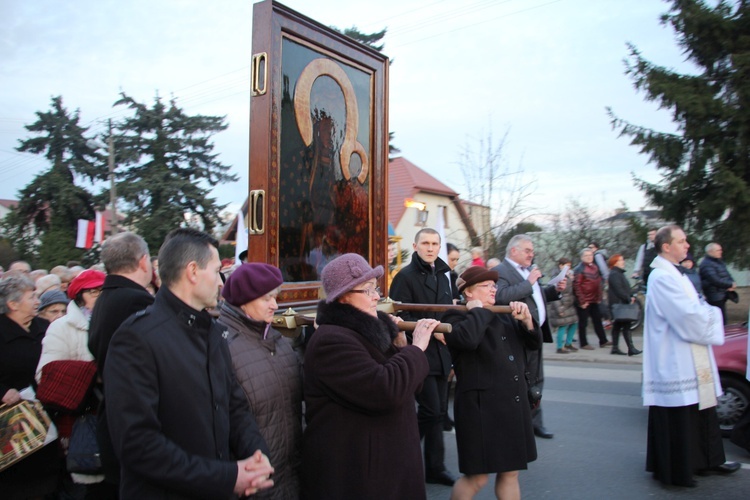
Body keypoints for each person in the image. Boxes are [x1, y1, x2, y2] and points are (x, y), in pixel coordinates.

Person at [105, 228, 274, 498]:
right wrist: (227, 477)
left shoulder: (213, 333)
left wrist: (256, 456)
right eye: (217, 270)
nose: (222, 282)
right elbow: (138, 444)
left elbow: (234, 406)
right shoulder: (136, 338)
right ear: (193, 272)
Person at [301, 253, 437, 499]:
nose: (377, 296)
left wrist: (400, 346)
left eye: (375, 288)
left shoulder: (367, 331)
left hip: (386, 467)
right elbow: (385, 390)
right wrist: (416, 349)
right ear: (343, 296)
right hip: (360, 475)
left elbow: (408, 387)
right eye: (367, 290)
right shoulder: (331, 341)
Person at [643, 225, 740, 487]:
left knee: (702, 408)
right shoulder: (662, 277)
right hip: (675, 358)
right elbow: (688, 315)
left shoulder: (677, 273)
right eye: (682, 241)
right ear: (666, 246)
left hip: (691, 354)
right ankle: (677, 469)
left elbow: (695, 305)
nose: (687, 245)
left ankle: (707, 461)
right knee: (681, 412)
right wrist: (713, 314)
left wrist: (704, 310)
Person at [443, 266, 540, 500]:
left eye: (493, 285)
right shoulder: (454, 315)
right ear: (468, 292)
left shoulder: (500, 311)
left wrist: (527, 321)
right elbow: (467, 340)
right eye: (486, 286)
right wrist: (479, 312)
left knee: (510, 473)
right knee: (477, 478)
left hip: (511, 403)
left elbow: (532, 344)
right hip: (481, 408)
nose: (493, 289)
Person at [219, 263, 303, 499]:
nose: (275, 305)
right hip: (255, 484)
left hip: (291, 476)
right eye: (267, 298)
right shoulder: (222, 345)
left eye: (275, 297)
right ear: (244, 300)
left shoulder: (280, 342)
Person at [87, 231, 156, 494]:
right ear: (143, 262)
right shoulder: (135, 300)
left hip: (115, 418)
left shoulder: (107, 297)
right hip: (131, 423)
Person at [389, 227, 457, 485]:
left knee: (439, 411)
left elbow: (449, 310)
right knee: (430, 410)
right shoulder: (405, 276)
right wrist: (431, 329)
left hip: (442, 352)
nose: (430, 248)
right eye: (425, 243)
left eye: (435, 243)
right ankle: (399, 456)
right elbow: (399, 316)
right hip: (420, 351)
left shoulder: (444, 275)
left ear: (440, 247)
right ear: (415, 246)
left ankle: (435, 467)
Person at [35, 269, 107, 492]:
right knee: (85, 483)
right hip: (80, 418)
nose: (100, 296)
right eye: (93, 292)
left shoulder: (113, 320)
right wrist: (92, 373)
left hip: (113, 413)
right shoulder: (62, 326)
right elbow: (45, 375)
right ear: (79, 296)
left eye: (103, 291)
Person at [493, 234, 566, 440]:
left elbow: (535, 295)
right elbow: (501, 297)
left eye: (532, 251)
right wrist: (529, 282)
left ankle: (535, 422)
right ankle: (521, 423)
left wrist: (554, 290)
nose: (531, 254)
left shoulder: (526, 272)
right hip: (517, 334)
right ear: (513, 251)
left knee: (537, 380)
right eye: (527, 251)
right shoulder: (500, 271)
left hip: (535, 332)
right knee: (523, 381)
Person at [0, 274, 59, 499]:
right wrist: (3, 391)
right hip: (13, 427)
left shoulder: (44, 327)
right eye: (32, 297)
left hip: (47, 418)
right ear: (13, 304)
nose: (38, 301)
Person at [573, 248, 611, 350]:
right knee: (583, 323)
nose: (589, 257)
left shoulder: (595, 267)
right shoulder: (579, 269)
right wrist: (581, 301)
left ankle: (603, 340)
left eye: (591, 255)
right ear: (582, 257)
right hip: (584, 301)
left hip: (594, 299)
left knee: (598, 320)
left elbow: (598, 283)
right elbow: (577, 286)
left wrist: (599, 297)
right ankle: (583, 343)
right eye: (586, 256)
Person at [607, 254, 641, 356]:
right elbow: (619, 290)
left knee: (618, 326)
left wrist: (631, 295)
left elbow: (625, 288)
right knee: (625, 325)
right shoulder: (614, 274)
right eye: (621, 260)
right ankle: (630, 348)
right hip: (619, 304)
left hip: (619, 304)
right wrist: (628, 298)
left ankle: (615, 348)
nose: (623, 262)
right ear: (615, 262)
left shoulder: (619, 273)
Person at [699, 242, 736, 324]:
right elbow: (714, 279)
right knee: (719, 321)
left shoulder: (719, 262)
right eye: (718, 250)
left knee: (723, 319)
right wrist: (729, 284)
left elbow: (726, 274)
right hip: (714, 296)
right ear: (710, 252)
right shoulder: (706, 264)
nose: (721, 251)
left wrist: (732, 282)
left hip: (721, 294)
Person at [547, 257, 578, 354]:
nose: (568, 267)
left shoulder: (567, 276)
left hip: (569, 304)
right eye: (566, 265)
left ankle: (568, 343)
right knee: (562, 325)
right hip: (561, 304)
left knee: (574, 322)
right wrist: (559, 308)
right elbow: (554, 293)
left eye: (569, 265)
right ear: (560, 266)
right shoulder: (557, 277)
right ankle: (559, 346)